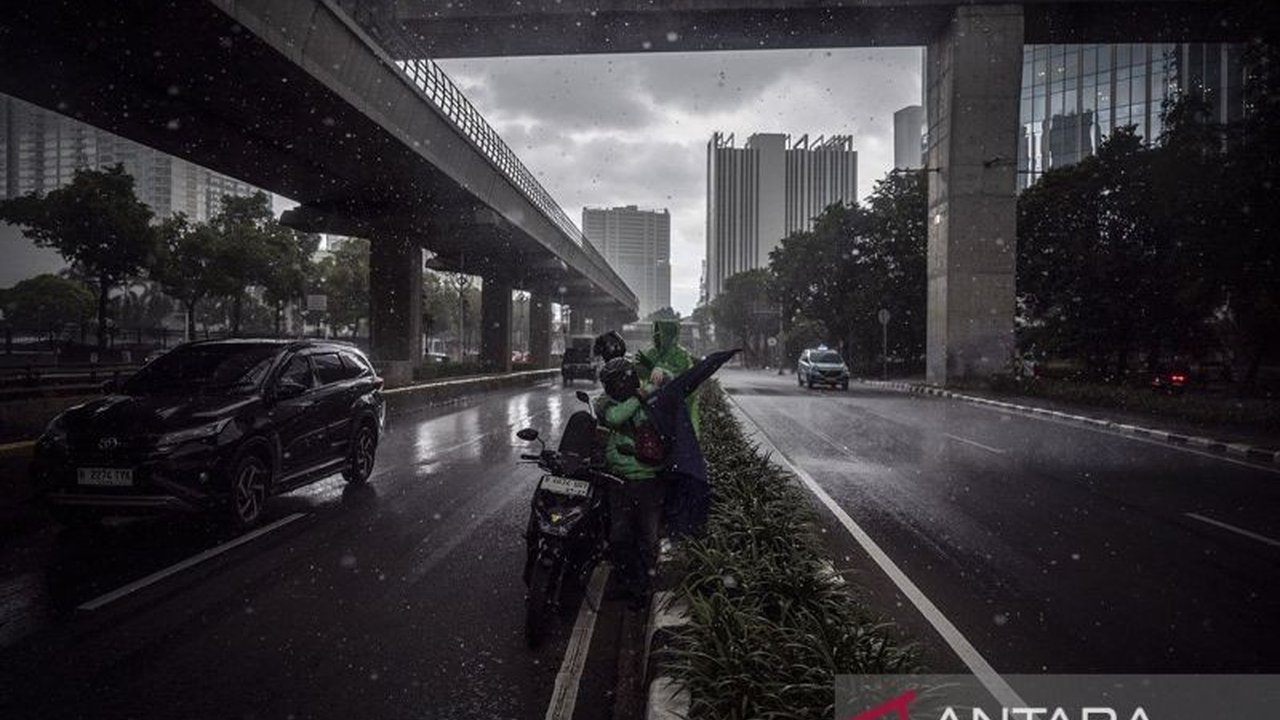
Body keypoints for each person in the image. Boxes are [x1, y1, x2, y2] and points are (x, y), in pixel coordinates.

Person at [594, 357, 664, 607]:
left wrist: (658, 373)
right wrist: (641, 395)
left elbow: (670, 381)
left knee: (646, 539)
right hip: (619, 480)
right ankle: (627, 584)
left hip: (648, 481)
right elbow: (614, 417)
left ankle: (643, 590)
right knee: (621, 539)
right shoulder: (607, 403)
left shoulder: (651, 397)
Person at [635, 318, 701, 437]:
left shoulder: (681, 355)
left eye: (659, 334)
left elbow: (681, 379)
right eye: (654, 333)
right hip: (653, 409)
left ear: (669, 335)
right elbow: (642, 376)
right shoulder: (651, 353)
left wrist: (658, 369)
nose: (656, 337)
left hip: (676, 411)